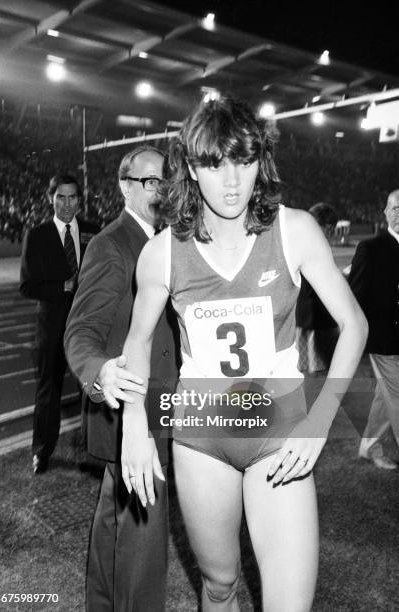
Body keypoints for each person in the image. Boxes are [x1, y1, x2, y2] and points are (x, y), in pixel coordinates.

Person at [120, 97, 367, 611]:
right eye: (214, 164)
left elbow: (353, 323)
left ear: (262, 160)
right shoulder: (162, 252)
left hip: (278, 426)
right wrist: (134, 429)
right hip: (202, 432)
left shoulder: (293, 230)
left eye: (244, 161)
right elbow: (137, 343)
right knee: (219, 586)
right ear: (190, 167)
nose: (232, 182)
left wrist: (320, 419)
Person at [64, 146, 178, 612]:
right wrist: (99, 373)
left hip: (159, 407)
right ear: (125, 186)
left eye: (164, 181)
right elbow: (80, 331)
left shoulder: (167, 239)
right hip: (134, 409)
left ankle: (102, 604)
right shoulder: (112, 245)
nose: (160, 190)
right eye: (149, 181)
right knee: (144, 537)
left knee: (118, 518)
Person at [19, 173, 99, 474]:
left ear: (80, 199)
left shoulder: (94, 232)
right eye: (60, 197)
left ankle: (95, 451)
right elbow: (27, 286)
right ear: (50, 198)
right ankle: (42, 450)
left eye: (72, 197)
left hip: (87, 327)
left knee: (91, 390)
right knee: (47, 391)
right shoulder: (37, 235)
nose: (67, 204)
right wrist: (63, 287)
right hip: (51, 328)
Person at [349, 189, 399, 470]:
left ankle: (370, 446)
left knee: (386, 396)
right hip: (384, 341)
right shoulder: (370, 248)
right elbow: (355, 297)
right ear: (385, 212)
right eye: (394, 208)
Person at [296, 202, 339, 373]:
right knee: (319, 374)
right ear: (326, 226)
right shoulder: (316, 246)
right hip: (315, 322)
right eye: (330, 227)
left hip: (304, 320)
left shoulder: (299, 243)